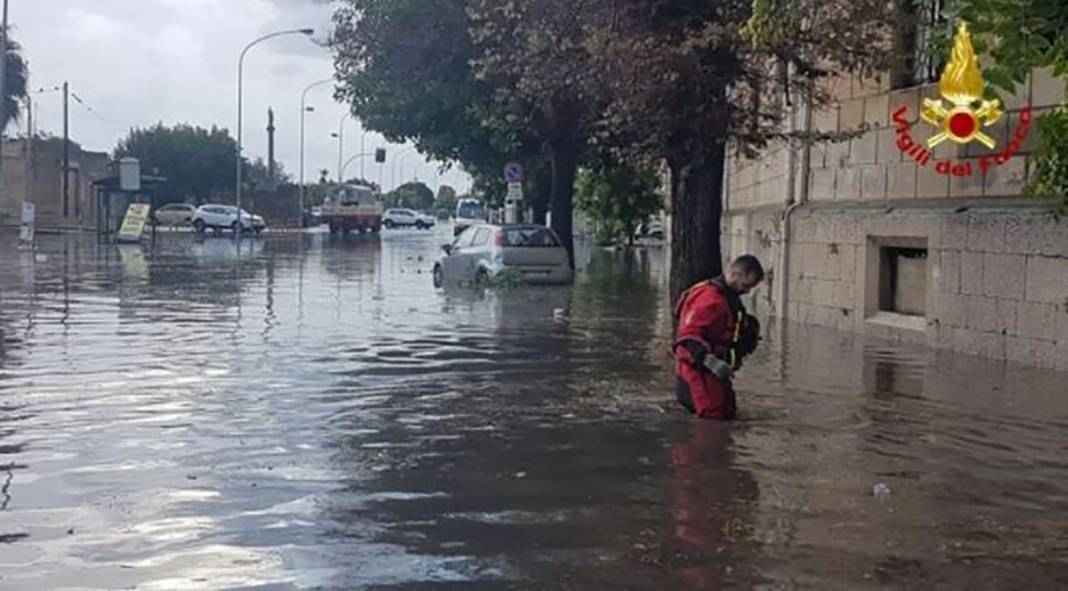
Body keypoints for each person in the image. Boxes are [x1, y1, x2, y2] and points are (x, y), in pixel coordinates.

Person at [672, 255, 765, 420]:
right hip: (698, 371)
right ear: (735, 274)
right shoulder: (708, 299)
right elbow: (686, 341)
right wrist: (710, 362)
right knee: (710, 418)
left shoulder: (729, 298)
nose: (747, 291)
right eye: (746, 285)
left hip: (717, 372)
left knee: (729, 413)